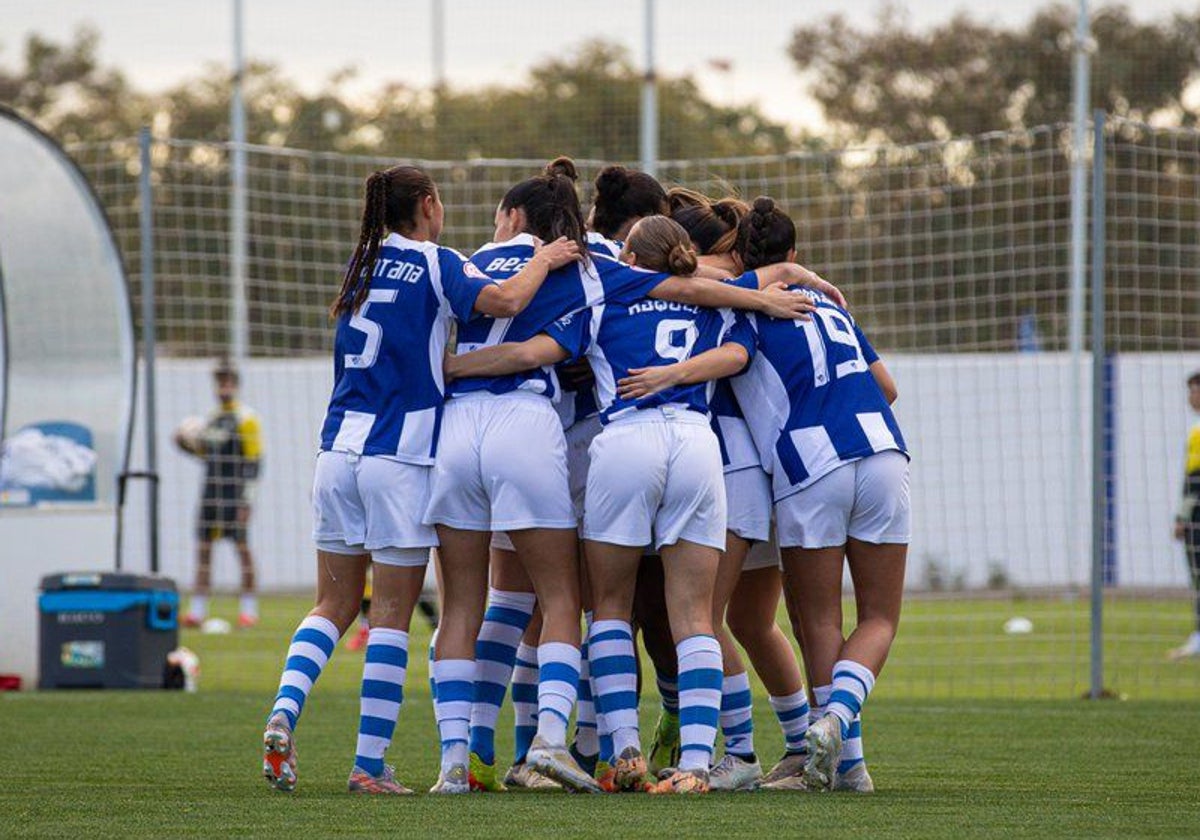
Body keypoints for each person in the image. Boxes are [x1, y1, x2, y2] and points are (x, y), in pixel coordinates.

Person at [426, 158, 821, 794]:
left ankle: (605, 748)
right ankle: (701, 760)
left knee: (580, 606)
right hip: (700, 448)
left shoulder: (594, 273)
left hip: (599, 441)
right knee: (693, 615)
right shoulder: (694, 285)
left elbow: (531, 350)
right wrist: (776, 282)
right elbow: (720, 305)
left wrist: (444, 369)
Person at [259, 163, 580, 796]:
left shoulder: (360, 265)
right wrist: (546, 258)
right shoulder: (437, 261)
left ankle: (284, 710)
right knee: (391, 618)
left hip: (335, 453)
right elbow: (507, 301)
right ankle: (369, 766)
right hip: (396, 457)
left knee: (332, 604)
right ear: (427, 205)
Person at [729, 197, 908, 793]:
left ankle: (840, 748)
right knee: (879, 615)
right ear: (795, 256)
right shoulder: (833, 307)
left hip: (809, 463)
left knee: (817, 618)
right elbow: (887, 386)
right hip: (883, 451)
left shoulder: (742, 310)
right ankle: (844, 749)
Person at [668, 192, 812, 791]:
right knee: (753, 622)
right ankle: (804, 747)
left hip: (726, 474)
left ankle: (743, 755)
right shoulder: (745, 284)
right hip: (757, 476)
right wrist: (791, 269)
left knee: (705, 620)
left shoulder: (709, 287)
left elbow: (703, 276)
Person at [175, 360, 263, 629]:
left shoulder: (245, 419)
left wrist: (247, 501)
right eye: (219, 383)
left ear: (235, 386)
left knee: (242, 550)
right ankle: (197, 611)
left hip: (234, 493)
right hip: (210, 492)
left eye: (227, 383)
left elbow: (255, 461)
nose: (223, 388)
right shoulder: (211, 419)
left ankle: (248, 610)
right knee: (203, 551)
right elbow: (206, 455)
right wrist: (184, 445)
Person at [1169, 371, 1200, 660]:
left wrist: (1182, 515)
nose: (1191, 397)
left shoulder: (1198, 432)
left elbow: (1195, 478)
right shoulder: (1195, 428)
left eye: (1195, 391)